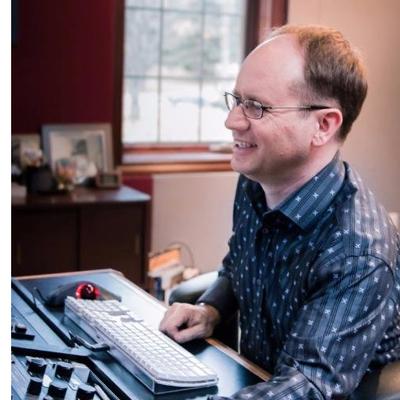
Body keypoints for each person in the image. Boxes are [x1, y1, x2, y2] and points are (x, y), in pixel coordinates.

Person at [159, 24, 400, 399]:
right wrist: (211, 309)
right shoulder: (257, 181)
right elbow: (239, 262)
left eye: (256, 107)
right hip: (256, 378)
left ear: (323, 125)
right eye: (237, 99)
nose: (232, 120)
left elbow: (307, 387)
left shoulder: (358, 252)